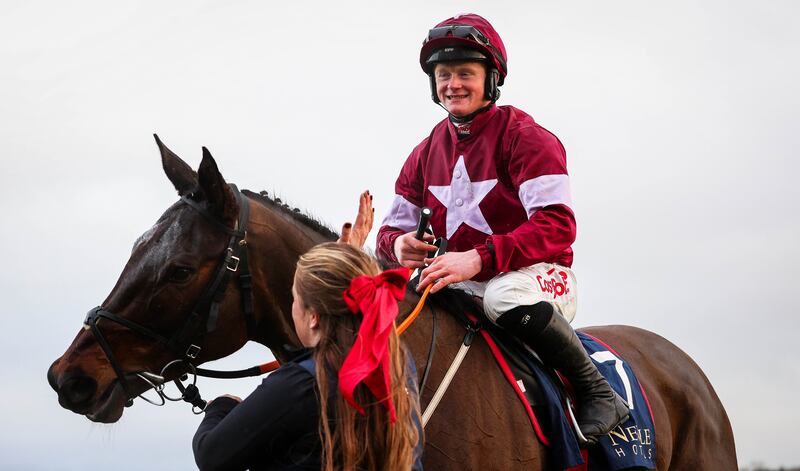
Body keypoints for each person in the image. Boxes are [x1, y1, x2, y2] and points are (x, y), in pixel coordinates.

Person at [376, 13, 628, 443]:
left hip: (536, 278)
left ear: (491, 79)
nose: (452, 85)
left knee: (501, 295)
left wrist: (479, 258)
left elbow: (557, 226)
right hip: (456, 284)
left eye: (465, 74)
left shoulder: (527, 138)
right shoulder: (423, 153)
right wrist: (399, 245)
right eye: (444, 75)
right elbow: (388, 233)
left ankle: (596, 390)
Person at [193, 241, 423, 470]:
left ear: (314, 317)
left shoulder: (303, 384)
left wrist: (220, 408)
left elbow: (211, 456)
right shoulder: (400, 365)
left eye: (294, 299)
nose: (293, 308)